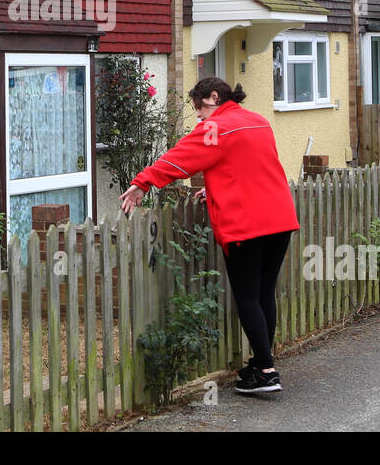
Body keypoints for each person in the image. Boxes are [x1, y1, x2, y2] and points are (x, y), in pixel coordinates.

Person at [119, 76, 299, 394]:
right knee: (264, 294)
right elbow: (248, 168)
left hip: (247, 224)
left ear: (213, 97)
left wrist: (142, 183)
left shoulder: (217, 128)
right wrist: (215, 190)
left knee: (247, 297)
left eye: (199, 108)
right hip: (280, 218)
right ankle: (261, 363)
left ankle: (268, 372)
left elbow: (179, 159)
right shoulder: (257, 122)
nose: (199, 116)